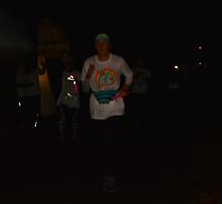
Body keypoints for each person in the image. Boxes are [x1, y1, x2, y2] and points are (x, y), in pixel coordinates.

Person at [81, 34, 133, 194]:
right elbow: (84, 89)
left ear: (109, 45)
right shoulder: (89, 62)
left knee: (110, 140)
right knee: (102, 143)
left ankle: (110, 177)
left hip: (114, 106)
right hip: (97, 107)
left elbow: (129, 74)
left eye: (104, 43)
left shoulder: (118, 61)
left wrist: (125, 88)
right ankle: (107, 171)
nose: (101, 46)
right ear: (95, 46)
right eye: (98, 43)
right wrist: (89, 74)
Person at [56, 54, 81, 142]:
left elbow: (82, 81)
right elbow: (59, 85)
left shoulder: (77, 73)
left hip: (74, 101)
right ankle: (62, 137)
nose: (68, 63)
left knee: (74, 120)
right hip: (63, 101)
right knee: (63, 120)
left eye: (70, 61)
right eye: (66, 62)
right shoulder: (62, 73)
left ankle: (73, 137)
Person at [14, 55, 41, 130]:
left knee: (33, 111)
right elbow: (17, 84)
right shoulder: (19, 72)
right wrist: (26, 85)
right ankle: (26, 125)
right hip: (24, 96)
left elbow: (42, 72)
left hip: (33, 94)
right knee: (25, 111)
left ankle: (33, 125)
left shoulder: (34, 70)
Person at [130, 57, 152, 134]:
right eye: (140, 61)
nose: (141, 62)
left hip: (144, 92)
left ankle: (143, 125)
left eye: (142, 61)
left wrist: (144, 78)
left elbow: (150, 79)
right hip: (135, 92)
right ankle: (135, 125)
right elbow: (130, 79)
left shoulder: (147, 70)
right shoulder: (134, 69)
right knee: (135, 109)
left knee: (143, 109)